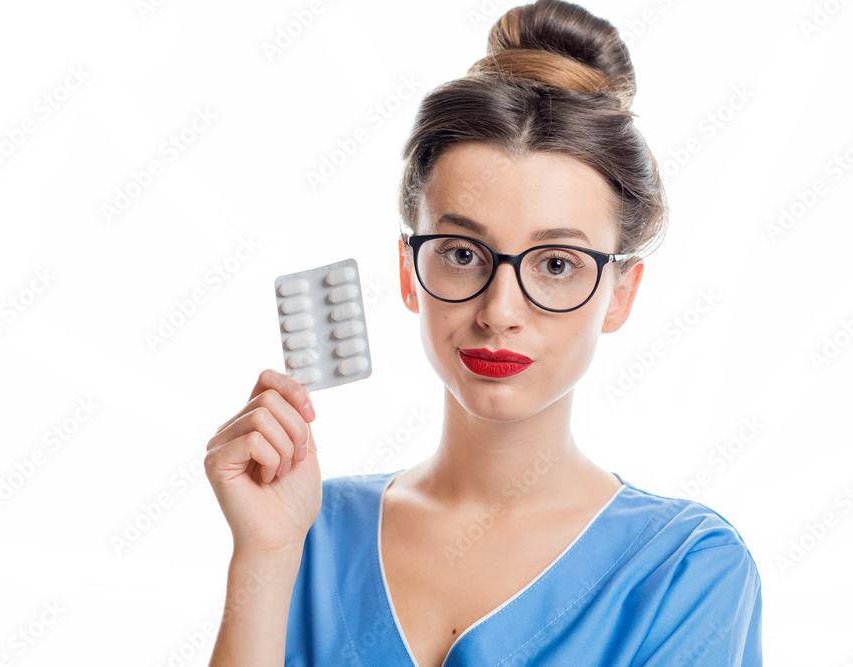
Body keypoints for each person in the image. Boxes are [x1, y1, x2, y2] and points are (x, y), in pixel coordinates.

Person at [203, 0, 763, 664]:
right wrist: (263, 557)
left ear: (620, 294)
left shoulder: (685, 568)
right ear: (410, 271)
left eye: (556, 264)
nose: (500, 309)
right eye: (463, 253)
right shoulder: (306, 531)